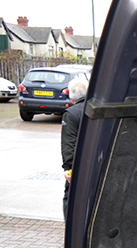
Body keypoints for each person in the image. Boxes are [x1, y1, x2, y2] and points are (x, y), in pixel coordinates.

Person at [61, 76, 89, 218]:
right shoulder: (97, 109)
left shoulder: (71, 114)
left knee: (71, 201)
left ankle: (72, 231)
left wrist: (68, 168)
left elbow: (69, 143)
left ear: (71, 98)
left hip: (78, 167)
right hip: (98, 163)